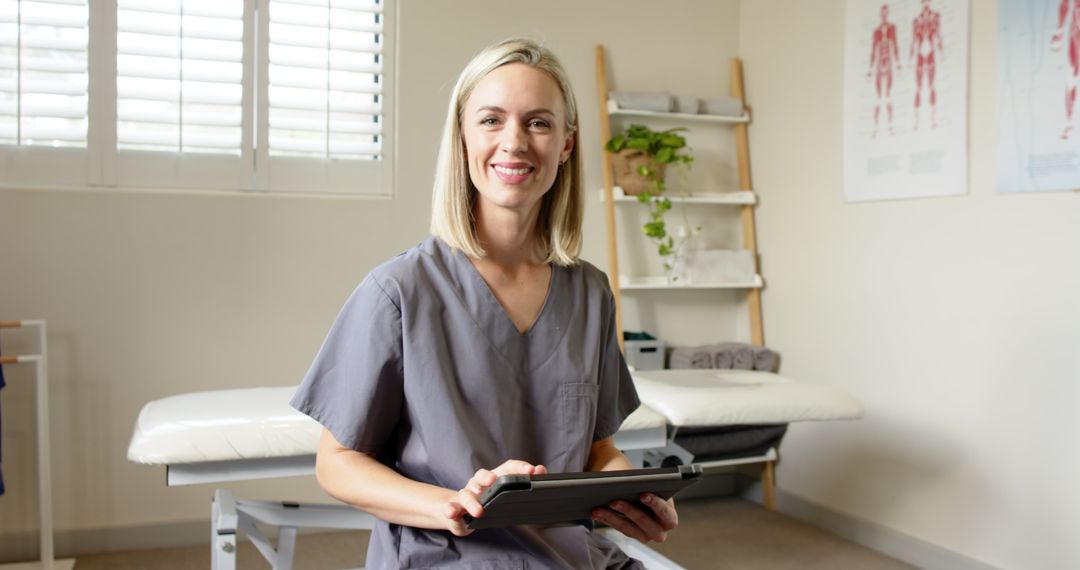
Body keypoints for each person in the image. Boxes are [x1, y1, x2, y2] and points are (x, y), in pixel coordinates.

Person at [290, 38, 679, 569]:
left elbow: (596, 449)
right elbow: (336, 464)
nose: (514, 142)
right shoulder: (399, 291)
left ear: (566, 143)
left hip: (570, 556)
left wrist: (631, 494)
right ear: (462, 138)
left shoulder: (590, 293)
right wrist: (449, 503)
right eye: (491, 120)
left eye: (539, 123)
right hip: (445, 556)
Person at [867, 3, 901, 137]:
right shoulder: (876, 31)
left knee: (888, 96)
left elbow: (895, 45)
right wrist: (870, 69)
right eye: (882, 13)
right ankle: (875, 128)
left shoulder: (892, 28)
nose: (884, 15)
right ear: (880, 14)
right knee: (877, 97)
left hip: (889, 66)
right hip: (879, 67)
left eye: (886, 13)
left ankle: (890, 127)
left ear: (888, 13)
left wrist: (898, 64)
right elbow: (873, 50)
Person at [910, 0, 943, 130]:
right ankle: (916, 122)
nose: (926, 3)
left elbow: (938, 35)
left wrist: (941, 53)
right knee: (918, 88)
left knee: (931, 86)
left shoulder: (935, 17)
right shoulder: (916, 20)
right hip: (920, 54)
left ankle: (933, 120)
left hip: (930, 53)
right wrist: (910, 57)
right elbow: (913, 40)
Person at [1052, 0, 1080, 139]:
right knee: (1071, 76)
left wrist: (1059, 32)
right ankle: (1069, 121)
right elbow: (1065, 4)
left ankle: (1069, 121)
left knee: (1072, 76)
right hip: (1075, 30)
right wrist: (1059, 31)